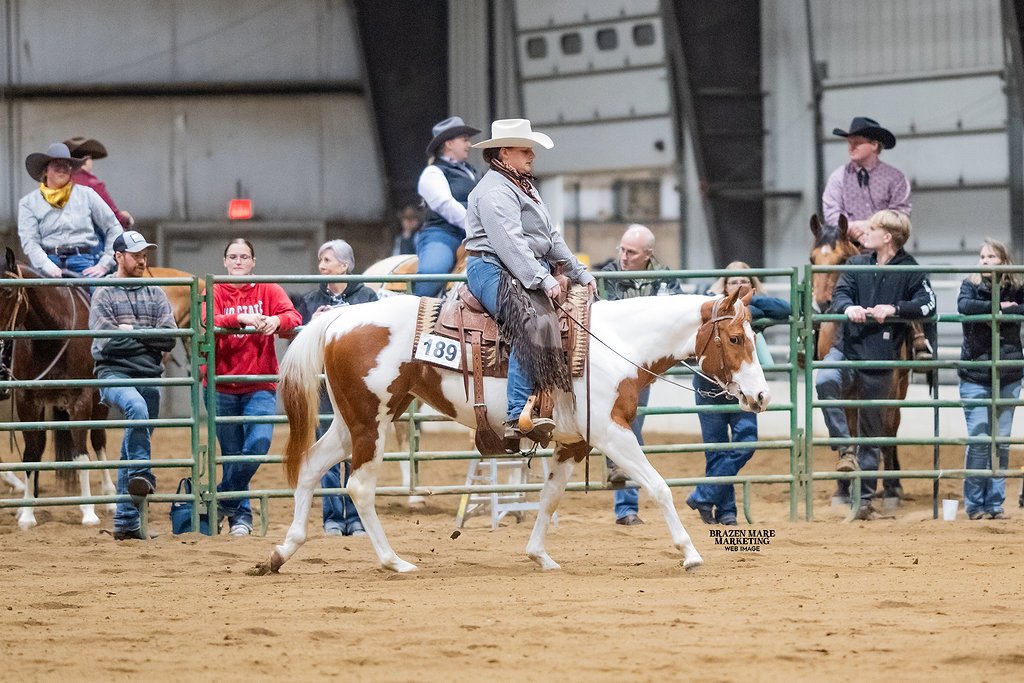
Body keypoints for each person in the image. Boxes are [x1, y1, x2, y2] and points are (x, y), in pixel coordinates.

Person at [464, 118, 597, 442]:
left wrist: (578, 271)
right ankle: (514, 415)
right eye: (525, 150)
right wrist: (542, 278)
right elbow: (509, 242)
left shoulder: (522, 186)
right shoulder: (495, 190)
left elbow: (550, 237)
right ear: (504, 153)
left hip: (516, 268)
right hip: (490, 268)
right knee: (529, 323)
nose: (531, 156)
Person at [814, 210, 936, 519]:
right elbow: (839, 294)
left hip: (882, 353)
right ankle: (844, 447)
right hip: (848, 346)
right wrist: (848, 306)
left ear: (887, 237)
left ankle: (864, 501)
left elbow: (928, 303)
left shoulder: (909, 269)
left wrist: (896, 308)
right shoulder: (855, 263)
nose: (863, 232)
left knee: (872, 429)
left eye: (871, 228)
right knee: (825, 377)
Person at [205, 239, 301, 536]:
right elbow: (208, 319)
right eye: (232, 256)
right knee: (232, 453)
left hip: (259, 384)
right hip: (221, 385)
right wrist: (241, 318)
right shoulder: (215, 289)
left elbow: (294, 318)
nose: (237, 261)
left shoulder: (268, 289)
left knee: (257, 446)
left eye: (243, 257)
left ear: (253, 261)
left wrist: (276, 319)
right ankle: (240, 520)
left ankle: (220, 499)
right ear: (224, 262)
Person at [88, 231, 176, 540]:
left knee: (133, 439)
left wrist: (132, 331)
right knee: (137, 411)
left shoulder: (155, 292)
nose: (142, 259)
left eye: (144, 254)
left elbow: (169, 338)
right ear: (118, 256)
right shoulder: (104, 292)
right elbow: (109, 344)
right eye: (135, 254)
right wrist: (146, 337)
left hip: (149, 376)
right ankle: (142, 473)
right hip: (113, 373)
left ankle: (126, 522)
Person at [687, 264, 791, 525]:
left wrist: (749, 299)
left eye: (745, 281)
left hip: (742, 384)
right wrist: (732, 302)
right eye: (733, 281)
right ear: (723, 285)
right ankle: (726, 512)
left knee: (746, 442)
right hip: (710, 384)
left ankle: (704, 495)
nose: (739, 285)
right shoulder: (711, 309)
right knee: (717, 450)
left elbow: (785, 308)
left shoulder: (748, 308)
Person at [822, 116, 931, 360]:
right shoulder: (838, 178)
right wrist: (855, 230)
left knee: (905, 276)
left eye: (857, 142)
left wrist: (871, 228)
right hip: (848, 244)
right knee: (821, 273)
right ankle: (807, 333)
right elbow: (831, 213)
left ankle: (918, 335)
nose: (851, 146)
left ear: (874, 145)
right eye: (849, 141)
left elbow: (901, 212)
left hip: (885, 245)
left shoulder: (894, 178)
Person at [599, 223, 681, 525]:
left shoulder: (665, 278)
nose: (623, 256)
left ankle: (626, 505)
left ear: (648, 254)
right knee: (626, 428)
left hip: (643, 370)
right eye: (621, 249)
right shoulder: (607, 275)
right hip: (610, 368)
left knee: (627, 428)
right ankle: (626, 506)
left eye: (630, 252)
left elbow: (677, 322)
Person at [296, 240, 378, 536]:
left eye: (328, 260)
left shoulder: (368, 296)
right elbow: (298, 341)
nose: (322, 265)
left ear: (344, 265)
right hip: (324, 382)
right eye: (321, 260)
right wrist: (310, 325)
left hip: (358, 386)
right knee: (328, 448)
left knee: (357, 448)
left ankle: (356, 517)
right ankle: (333, 516)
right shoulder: (309, 299)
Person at [957, 238, 1023, 520]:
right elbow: (965, 306)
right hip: (976, 373)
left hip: (1008, 373)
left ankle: (994, 505)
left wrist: (1003, 311)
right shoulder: (969, 285)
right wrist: (998, 309)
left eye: (991, 257)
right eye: (982, 256)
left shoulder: (1018, 288)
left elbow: (1021, 309)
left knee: (1001, 441)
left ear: (1004, 261)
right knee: (980, 438)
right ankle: (974, 504)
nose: (984, 261)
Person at [17, 142, 123, 278]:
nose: (62, 169)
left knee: (101, 296)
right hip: (48, 262)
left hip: (85, 262)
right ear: (45, 170)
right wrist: (46, 265)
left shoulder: (87, 194)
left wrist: (104, 264)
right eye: (56, 165)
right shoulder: (28, 203)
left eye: (66, 165)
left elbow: (114, 228)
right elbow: (30, 241)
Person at [415, 116, 481, 297]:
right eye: (465, 140)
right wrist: (478, 226)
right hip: (444, 235)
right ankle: (417, 311)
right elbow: (446, 205)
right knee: (433, 273)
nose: (469, 144)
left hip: (476, 235)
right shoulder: (433, 172)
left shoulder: (473, 171)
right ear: (449, 143)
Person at [63, 136, 135, 229]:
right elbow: (113, 216)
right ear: (86, 161)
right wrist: (127, 219)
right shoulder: (92, 183)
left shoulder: (60, 181)